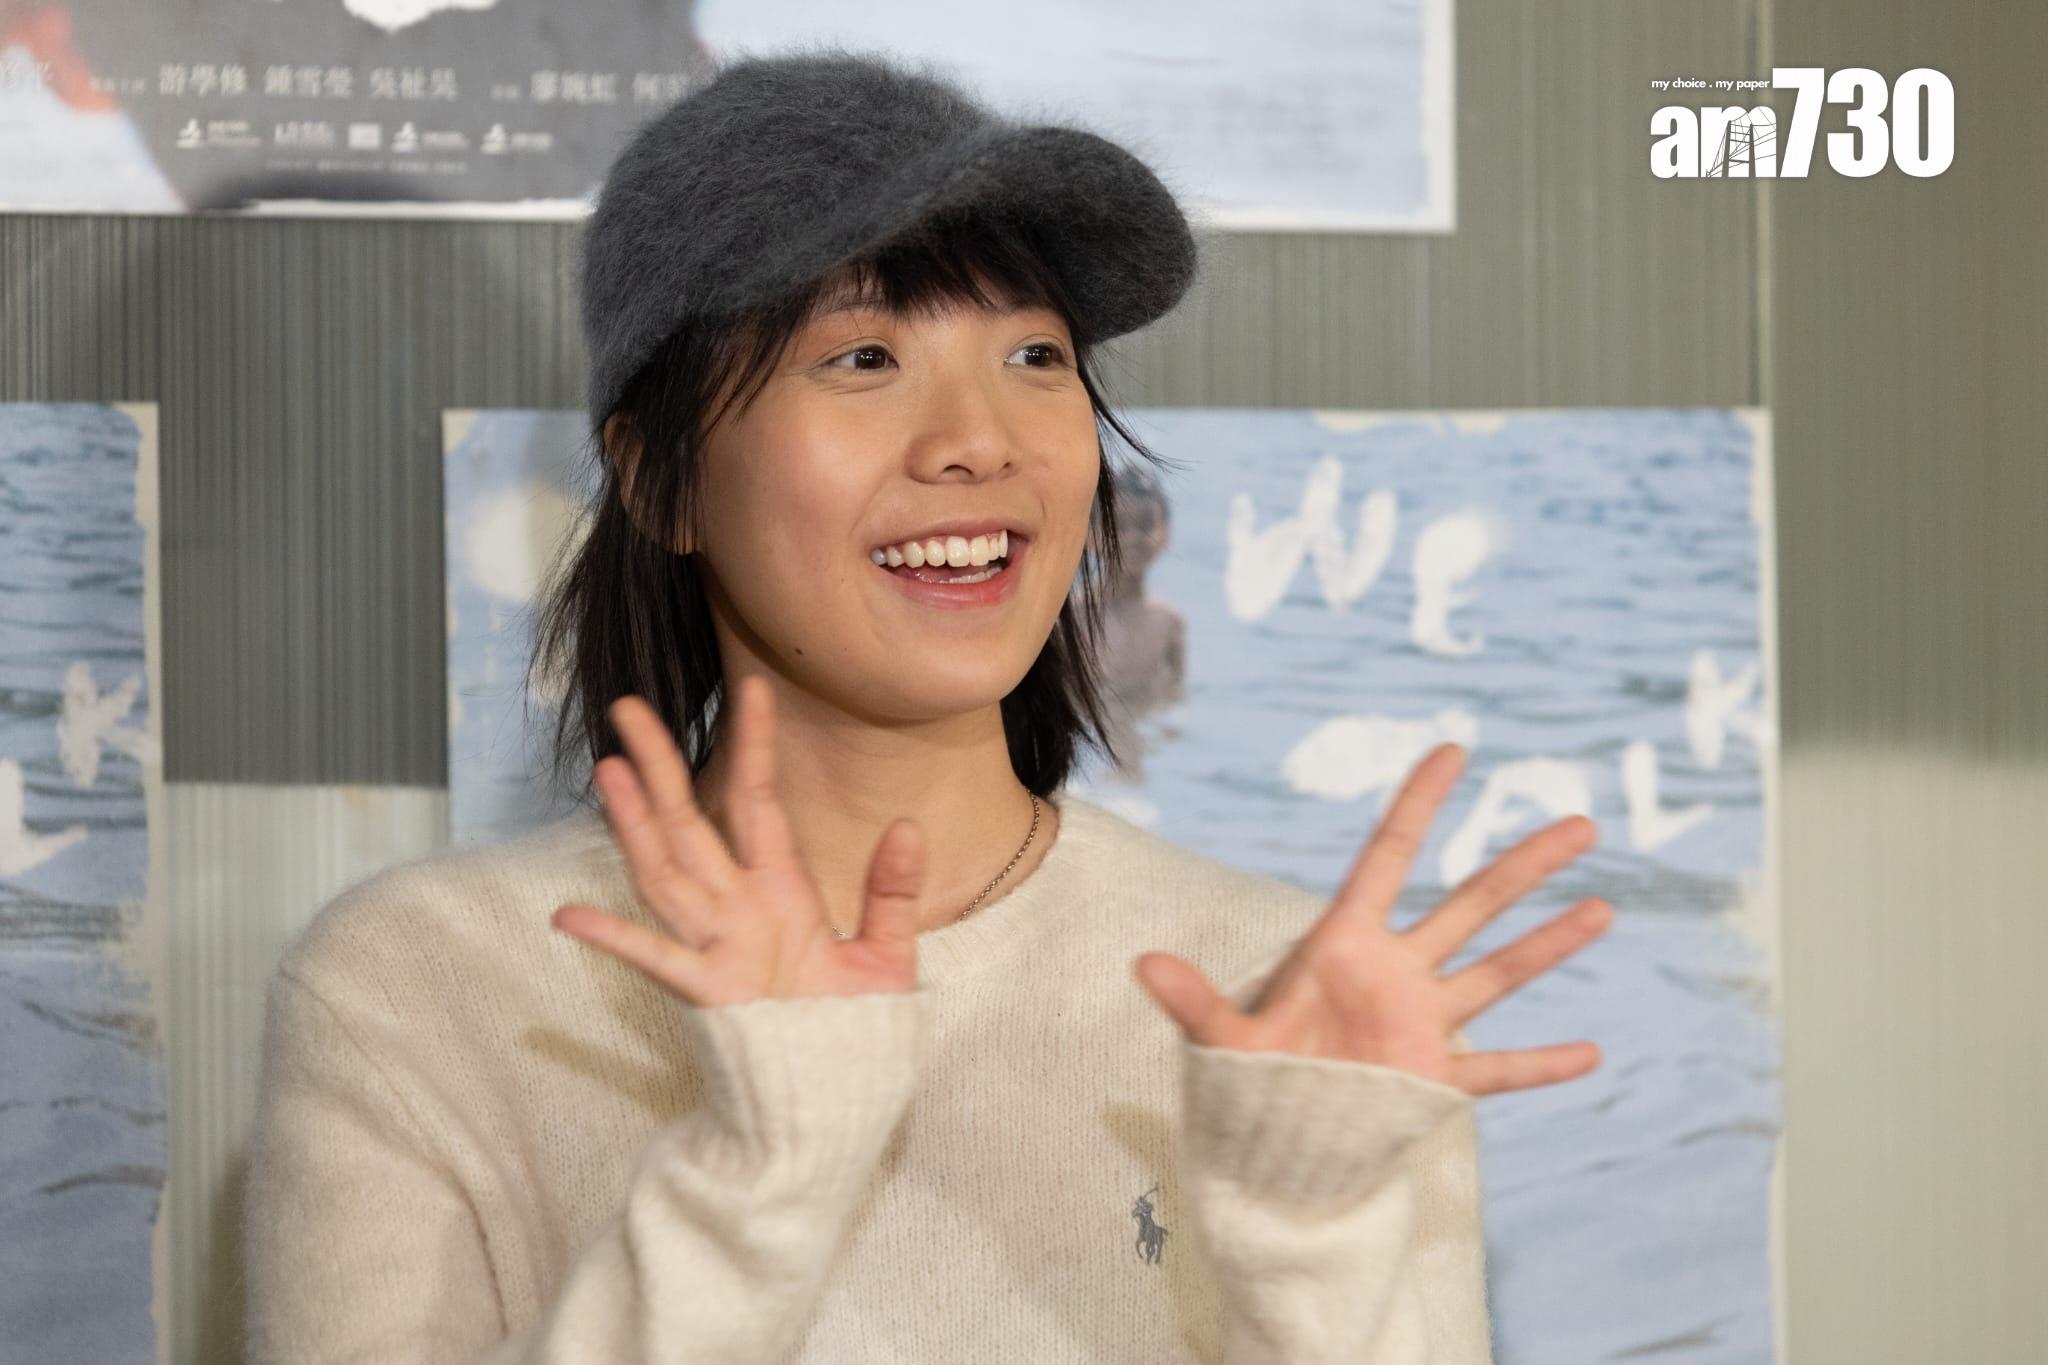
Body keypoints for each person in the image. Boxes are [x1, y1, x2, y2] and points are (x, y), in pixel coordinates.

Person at [241, 45, 1612, 1363]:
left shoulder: (1292, 1001)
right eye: (864, 359)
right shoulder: (421, 986)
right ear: (659, 478)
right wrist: (762, 1175)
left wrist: (1311, 1246)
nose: (978, 441)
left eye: (1035, 356)